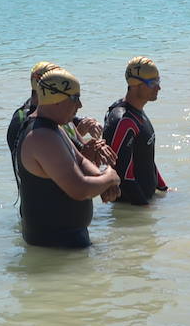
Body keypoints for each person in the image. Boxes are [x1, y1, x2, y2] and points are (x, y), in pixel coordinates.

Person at [15, 68, 121, 248]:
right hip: (53, 249)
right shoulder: (41, 137)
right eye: (74, 98)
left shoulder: (53, 128)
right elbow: (79, 189)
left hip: (66, 243)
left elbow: (80, 160)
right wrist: (109, 177)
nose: (79, 105)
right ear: (55, 99)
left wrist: (101, 181)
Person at [7, 61, 111, 181]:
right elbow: (46, 161)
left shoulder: (59, 114)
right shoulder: (25, 121)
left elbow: (80, 150)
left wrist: (96, 146)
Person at [103, 56, 169, 205]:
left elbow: (146, 156)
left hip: (145, 201)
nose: (159, 87)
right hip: (130, 209)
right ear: (136, 85)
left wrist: (163, 188)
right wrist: (143, 209)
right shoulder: (123, 121)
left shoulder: (137, 112)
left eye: (159, 81)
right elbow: (122, 174)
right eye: (153, 83)